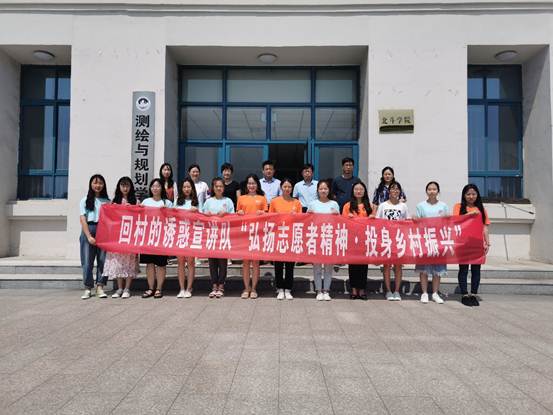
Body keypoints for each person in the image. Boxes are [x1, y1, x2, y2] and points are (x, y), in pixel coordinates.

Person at [453, 184, 490, 307]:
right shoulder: (458, 207)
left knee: (476, 270)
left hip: (477, 243)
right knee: (463, 269)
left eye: (473, 194)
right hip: (463, 243)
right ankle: (464, 294)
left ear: (477, 195)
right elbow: (455, 221)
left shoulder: (481, 209)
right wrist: (470, 214)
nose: (471, 196)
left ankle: (473, 294)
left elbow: (485, 227)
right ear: (464, 195)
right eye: (468, 194)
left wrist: (487, 242)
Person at [104, 177, 138, 299]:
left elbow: (140, 218)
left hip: (130, 236)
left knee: (129, 262)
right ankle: (119, 288)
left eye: (127, 185)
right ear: (119, 187)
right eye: (123, 185)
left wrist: (132, 209)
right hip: (118, 237)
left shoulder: (135, 201)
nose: (125, 188)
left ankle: (127, 288)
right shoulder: (114, 202)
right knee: (118, 262)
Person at [414, 181, 448, 304]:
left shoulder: (443, 206)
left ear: (438, 191)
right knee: (423, 269)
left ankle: (435, 293)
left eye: (434, 189)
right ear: (426, 191)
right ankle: (424, 293)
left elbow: (447, 223)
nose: (432, 191)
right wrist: (414, 219)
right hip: (424, 240)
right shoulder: (420, 206)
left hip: (438, 240)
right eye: (429, 189)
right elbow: (417, 222)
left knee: (437, 269)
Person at [269, 178, 302, 300]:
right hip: (278, 236)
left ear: (292, 188)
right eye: (285, 186)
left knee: (289, 265)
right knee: (278, 264)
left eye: (289, 187)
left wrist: (295, 217)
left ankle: (288, 288)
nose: (287, 189)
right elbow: (270, 218)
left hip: (291, 236)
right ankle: (279, 288)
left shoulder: (296, 203)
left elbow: (301, 220)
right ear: (281, 188)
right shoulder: (274, 202)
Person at [376, 182, 410, 301]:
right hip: (386, 238)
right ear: (389, 191)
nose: (395, 191)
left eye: (397, 189)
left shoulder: (403, 206)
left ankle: (396, 291)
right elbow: (378, 222)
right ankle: (388, 291)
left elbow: (407, 221)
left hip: (399, 238)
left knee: (398, 266)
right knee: (387, 265)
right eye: (392, 188)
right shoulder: (383, 205)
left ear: (400, 191)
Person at [202, 177, 235, 298]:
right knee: (212, 261)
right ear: (213, 188)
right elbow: (202, 217)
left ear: (224, 188)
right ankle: (214, 285)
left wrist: (226, 214)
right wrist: (206, 215)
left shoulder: (228, 201)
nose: (219, 188)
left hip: (223, 235)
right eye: (217, 186)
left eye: (221, 186)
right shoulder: (208, 202)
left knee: (222, 262)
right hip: (211, 235)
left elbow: (233, 217)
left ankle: (221, 285)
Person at [307, 180, 340, 301]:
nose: (323, 191)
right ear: (317, 190)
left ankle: (326, 290)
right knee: (316, 266)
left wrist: (337, 215)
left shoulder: (334, 204)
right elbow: (306, 222)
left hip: (329, 238)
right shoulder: (312, 204)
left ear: (329, 190)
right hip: (316, 237)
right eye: (321, 189)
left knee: (328, 267)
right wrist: (308, 215)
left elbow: (339, 223)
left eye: (325, 188)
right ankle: (318, 290)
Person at [342, 181, 375, 300]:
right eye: (356, 189)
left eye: (361, 189)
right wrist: (348, 218)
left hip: (365, 239)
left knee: (363, 265)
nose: (358, 191)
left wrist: (372, 218)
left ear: (364, 191)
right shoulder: (347, 206)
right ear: (353, 191)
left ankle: (362, 290)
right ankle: (354, 289)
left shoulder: (370, 206)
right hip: (352, 239)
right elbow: (342, 221)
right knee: (353, 265)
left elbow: (375, 222)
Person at [237, 174, 268, 299]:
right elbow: (237, 214)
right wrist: (239, 212)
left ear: (257, 185)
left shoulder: (262, 198)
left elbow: (268, 215)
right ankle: (246, 288)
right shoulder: (241, 198)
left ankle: (254, 288)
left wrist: (263, 213)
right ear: (246, 185)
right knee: (245, 263)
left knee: (255, 262)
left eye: (253, 183)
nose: (251, 186)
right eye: (249, 183)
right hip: (245, 233)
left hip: (257, 233)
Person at [140, 178, 173, 299]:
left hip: (161, 237)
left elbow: (173, 219)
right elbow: (139, 216)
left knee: (160, 264)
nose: (155, 188)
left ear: (161, 188)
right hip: (148, 237)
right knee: (149, 264)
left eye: (158, 186)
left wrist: (166, 212)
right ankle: (150, 288)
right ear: (150, 188)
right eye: (153, 186)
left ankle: (159, 288)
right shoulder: (145, 201)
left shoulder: (167, 203)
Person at [79, 174, 110, 299]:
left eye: (100, 183)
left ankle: (100, 286)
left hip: (104, 231)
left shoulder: (107, 201)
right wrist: (88, 236)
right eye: (95, 183)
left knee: (103, 260)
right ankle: (87, 287)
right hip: (89, 229)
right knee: (87, 261)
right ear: (91, 184)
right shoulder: (84, 200)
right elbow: (83, 219)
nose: (98, 185)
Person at [174, 177, 200, 298]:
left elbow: (202, 217)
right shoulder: (177, 202)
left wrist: (197, 211)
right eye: (184, 187)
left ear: (192, 188)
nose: (186, 189)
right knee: (180, 262)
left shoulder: (196, 202)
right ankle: (181, 288)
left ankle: (189, 288)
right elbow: (172, 215)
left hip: (191, 234)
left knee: (190, 262)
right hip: (180, 234)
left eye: (188, 187)